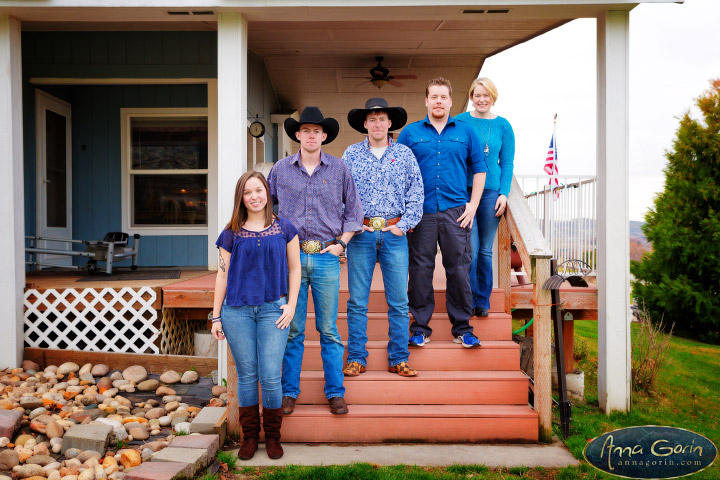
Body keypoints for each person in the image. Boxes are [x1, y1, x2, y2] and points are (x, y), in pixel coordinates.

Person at [267, 106, 364, 415]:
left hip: (325, 258)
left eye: (316, 131)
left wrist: (341, 244)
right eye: (305, 130)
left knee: (329, 329)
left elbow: (355, 213)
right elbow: (266, 208)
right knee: (292, 329)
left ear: (324, 136)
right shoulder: (280, 169)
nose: (311, 135)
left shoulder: (339, 169)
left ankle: (335, 391)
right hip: (290, 260)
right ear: (298, 135)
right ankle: (289, 393)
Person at [211, 171, 300, 461]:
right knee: (248, 375)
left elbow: (295, 269)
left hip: (274, 310)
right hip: (237, 312)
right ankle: (250, 437)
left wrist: (291, 305)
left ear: (267, 193)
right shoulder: (230, 233)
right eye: (248, 192)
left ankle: (273, 437)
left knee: (271, 375)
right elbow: (221, 277)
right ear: (242, 198)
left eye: (259, 190)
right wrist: (216, 317)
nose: (254, 196)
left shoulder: (285, 228)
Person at [397, 77, 487, 349]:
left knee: (459, 270)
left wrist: (472, 205)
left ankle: (463, 328)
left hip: (456, 212)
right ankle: (420, 328)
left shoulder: (467, 132)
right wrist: (406, 213)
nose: (438, 101)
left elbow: (480, 169)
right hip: (420, 213)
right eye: (433, 96)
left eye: (443, 97)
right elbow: (399, 173)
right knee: (420, 270)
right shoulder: (410, 134)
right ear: (426, 101)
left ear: (450, 101)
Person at [341, 98, 424, 377]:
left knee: (399, 300)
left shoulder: (404, 154)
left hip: (394, 234)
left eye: (382, 119)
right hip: (361, 235)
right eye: (372, 119)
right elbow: (341, 196)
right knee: (357, 301)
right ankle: (356, 357)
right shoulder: (351, 155)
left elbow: (416, 194)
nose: (377, 124)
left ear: (390, 123)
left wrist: (404, 224)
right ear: (365, 124)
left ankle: (399, 357)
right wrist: (352, 225)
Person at [456, 77, 515, 317]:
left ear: (493, 97)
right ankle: (466, 300)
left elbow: (508, 162)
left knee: (486, 251)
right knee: (471, 247)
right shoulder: (459, 121)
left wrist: (504, 192)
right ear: (471, 97)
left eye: (486, 95)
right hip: (466, 191)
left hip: (491, 193)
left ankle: (482, 301)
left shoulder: (503, 126)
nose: (482, 99)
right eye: (477, 95)